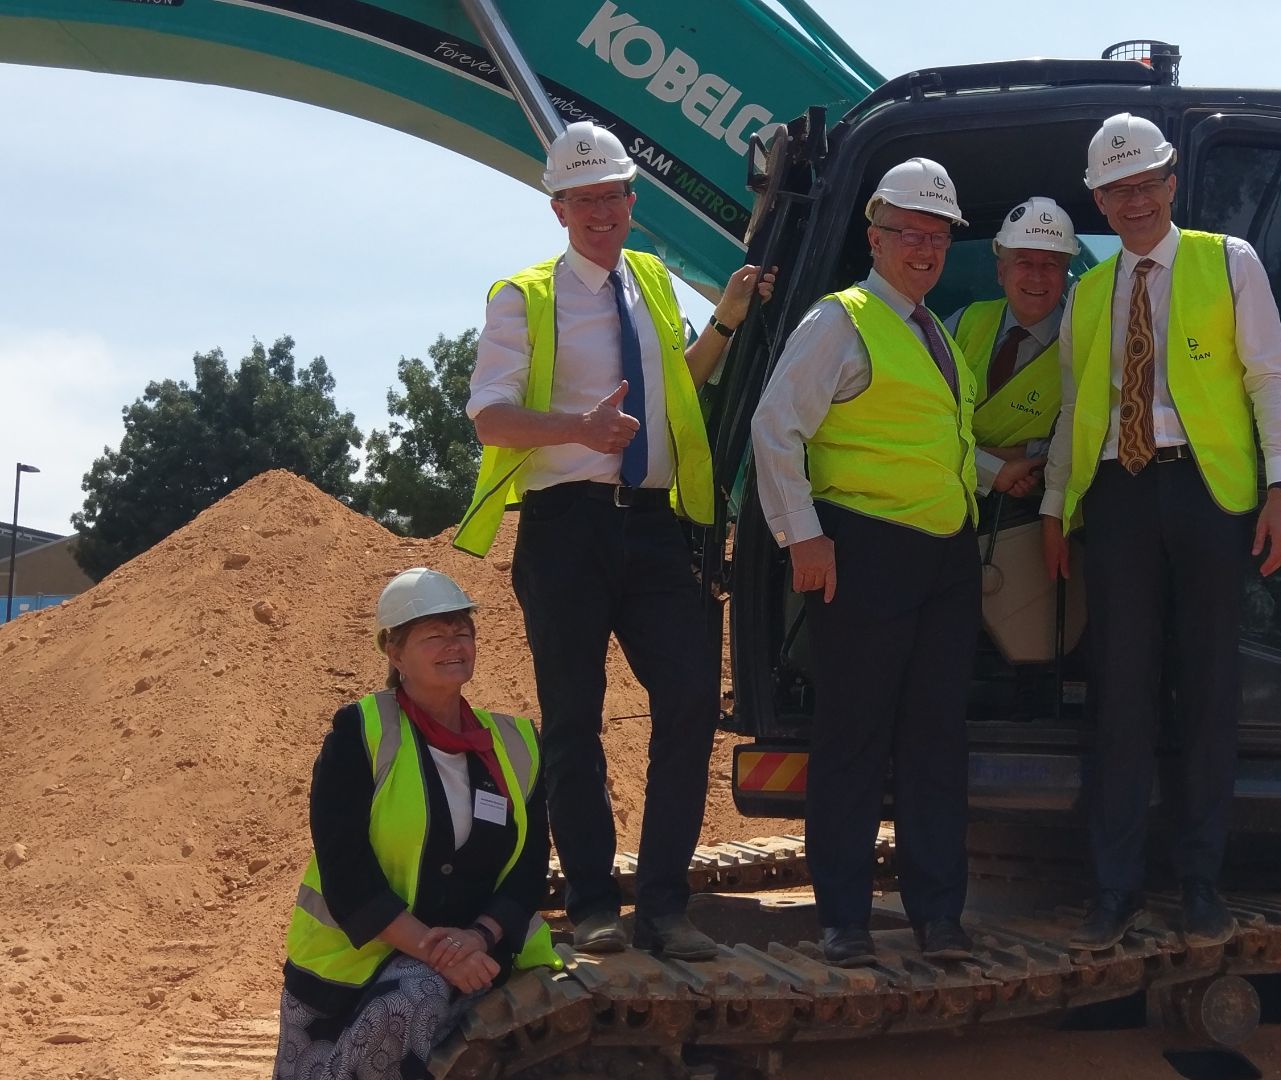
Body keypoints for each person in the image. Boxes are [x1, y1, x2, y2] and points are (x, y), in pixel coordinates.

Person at [452, 121, 774, 959]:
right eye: (584, 199)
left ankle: (665, 906)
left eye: (614, 196)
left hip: (657, 526)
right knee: (573, 720)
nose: (602, 211)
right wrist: (577, 429)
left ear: (633, 201)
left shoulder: (654, 283)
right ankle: (593, 902)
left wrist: (728, 324)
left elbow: (680, 385)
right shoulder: (523, 296)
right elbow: (488, 412)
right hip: (567, 528)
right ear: (559, 209)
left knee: (692, 704)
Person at [1038, 113, 1281, 950]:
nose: (1135, 200)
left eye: (1147, 182)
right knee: (1119, 695)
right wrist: (1056, 504)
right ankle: (1113, 890)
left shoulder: (1229, 264)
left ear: (1172, 185)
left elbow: (1270, 377)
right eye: (1117, 189)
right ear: (1098, 201)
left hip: (1208, 495)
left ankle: (1199, 882)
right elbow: (1076, 410)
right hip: (1116, 497)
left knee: (1206, 690)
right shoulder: (1087, 294)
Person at [750, 157, 980, 967]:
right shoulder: (840, 321)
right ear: (875, 237)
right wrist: (801, 536)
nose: (926, 248)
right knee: (852, 740)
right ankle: (844, 920)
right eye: (911, 233)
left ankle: (938, 917)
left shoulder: (934, 329)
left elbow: (928, 440)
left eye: (938, 235)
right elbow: (775, 427)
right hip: (867, 553)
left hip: (946, 561)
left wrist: (997, 473)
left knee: (934, 743)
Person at [276, 568, 561, 1080]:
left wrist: (478, 938)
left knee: (441, 996)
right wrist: (438, 952)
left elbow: (529, 865)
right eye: (435, 635)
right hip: (351, 965)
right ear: (394, 652)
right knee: (416, 993)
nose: (454, 645)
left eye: (463, 632)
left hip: (475, 955)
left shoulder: (516, 743)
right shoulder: (360, 731)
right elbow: (345, 866)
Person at [946, 196, 1078, 501]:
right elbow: (921, 416)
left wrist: (1029, 457)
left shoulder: (1083, 344)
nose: (1036, 275)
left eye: (1050, 264)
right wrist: (997, 460)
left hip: (1020, 516)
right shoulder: (965, 321)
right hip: (943, 498)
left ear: (1065, 275)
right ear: (1001, 272)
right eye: (1023, 262)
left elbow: (1071, 445)